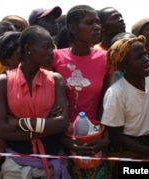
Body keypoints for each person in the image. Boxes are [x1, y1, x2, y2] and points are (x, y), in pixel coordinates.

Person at [0, 25, 70, 178]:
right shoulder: (4, 82)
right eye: (46, 47)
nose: (51, 52)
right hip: (16, 166)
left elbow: (62, 123)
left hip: (53, 162)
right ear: (28, 49)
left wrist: (17, 122)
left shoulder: (56, 80)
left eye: (52, 47)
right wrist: (45, 124)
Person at [51, 5, 113, 178]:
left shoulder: (105, 58)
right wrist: (63, 138)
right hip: (62, 138)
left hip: (94, 139)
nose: (97, 27)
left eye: (98, 23)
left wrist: (104, 136)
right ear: (72, 28)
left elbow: (106, 101)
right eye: (90, 23)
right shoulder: (56, 58)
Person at [102, 35, 149, 178]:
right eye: (139, 57)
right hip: (128, 149)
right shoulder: (116, 93)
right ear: (124, 65)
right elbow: (117, 137)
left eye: (145, 54)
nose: (146, 59)